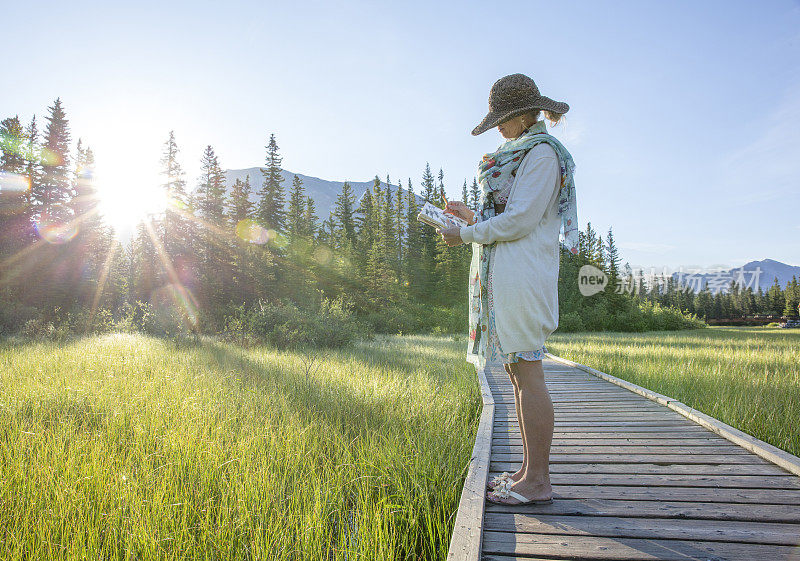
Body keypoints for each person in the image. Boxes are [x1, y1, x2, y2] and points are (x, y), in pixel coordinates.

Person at [437, 73, 579, 506]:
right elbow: (508, 212)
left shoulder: (541, 154)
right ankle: (527, 469)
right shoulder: (525, 153)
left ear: (522, 114)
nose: (497, 126)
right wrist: (470, 215)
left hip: (522, 276)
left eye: (502, 118)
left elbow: (520, 220)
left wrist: (465, 234)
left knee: (529, 374)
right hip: (507, 274)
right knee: (518, 373)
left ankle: (538, 481)